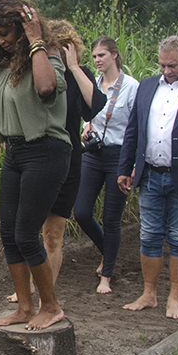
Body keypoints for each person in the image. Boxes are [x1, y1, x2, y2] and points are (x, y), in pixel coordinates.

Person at [0, 0, 71, 331]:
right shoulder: (4, 64)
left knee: (27, 234)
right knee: (9, 232)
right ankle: (25, 308)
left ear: (23, 27)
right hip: (16, 152)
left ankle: (52, 306)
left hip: (46, 150)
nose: (2, 40)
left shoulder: (49, 54)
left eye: (6, 33)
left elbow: (46, 88)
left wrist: (35, 39)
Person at [5, 19, 106, 302]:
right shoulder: (35, 72)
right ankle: (26, 287)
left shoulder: (78, 74)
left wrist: (73, 67)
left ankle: (44, 293)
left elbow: (94, 108)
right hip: (34, 157)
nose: (54, 54)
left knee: (53, 235)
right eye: (50, 47)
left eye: (61, 49)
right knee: (24, 229)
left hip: (68, 158)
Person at [117, 35, 178, 319]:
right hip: (150, 175)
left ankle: (174, 298)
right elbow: (133, 130)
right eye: (163, 65)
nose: (167, 71)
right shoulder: (147, 86)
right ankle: (149, 294)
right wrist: (124, 167)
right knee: (149, 236)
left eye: (172, 65)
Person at [73, 37, 139, 295]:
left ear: (114, 55)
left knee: (111, 218)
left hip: (119, 155)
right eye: (95, 56)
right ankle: (108, 252)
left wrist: (131, 163)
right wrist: (85, 128)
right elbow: (86, 114)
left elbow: (135, 126)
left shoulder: (131, 87)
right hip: (93, 152)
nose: (97, 60)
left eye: (102, 55)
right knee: (81, 212)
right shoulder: (92, 85)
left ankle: (107, 276)